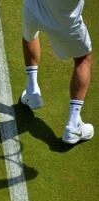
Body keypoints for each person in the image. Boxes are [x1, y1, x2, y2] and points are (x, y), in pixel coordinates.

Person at [20, 0, 94, 144]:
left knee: (29, 36)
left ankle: (32, 90)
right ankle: (73, 125)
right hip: (64, 22)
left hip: (33, 9)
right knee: (83, 59)